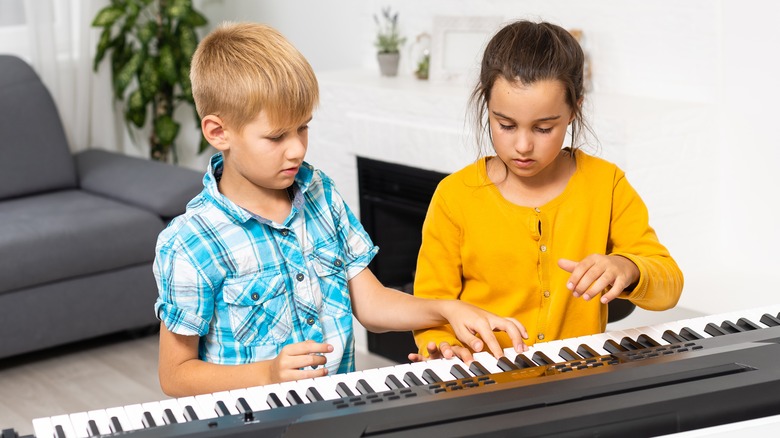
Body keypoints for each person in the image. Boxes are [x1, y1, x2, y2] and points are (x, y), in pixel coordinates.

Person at [153, 22, 528, 397]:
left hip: (336, 411)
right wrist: (267, 374)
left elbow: (372, 304)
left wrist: (446, 310)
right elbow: (176, 375)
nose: (297, 149)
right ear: (219, 132)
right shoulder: (190, 243)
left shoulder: (321, 195)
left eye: (303, 128)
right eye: (276, 136)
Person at [410, 20, 684, 362]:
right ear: (486, 106)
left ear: (574, 110)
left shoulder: (606, 184)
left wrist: (627, 267)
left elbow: (669, 286)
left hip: (581, 382)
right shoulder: (455, 196)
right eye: (505, 125)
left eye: (544, 128)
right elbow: (431, 307)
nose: (523, 145)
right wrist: (439, 345)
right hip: (484, 384)